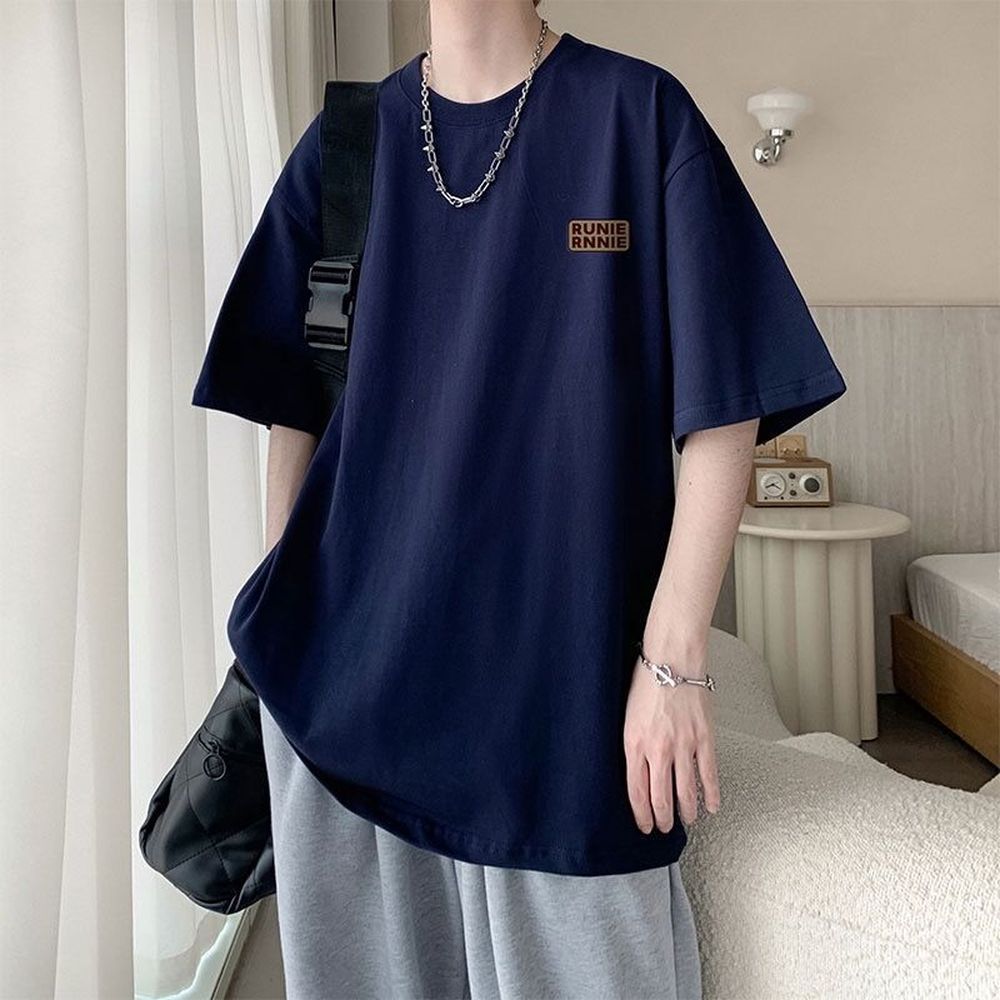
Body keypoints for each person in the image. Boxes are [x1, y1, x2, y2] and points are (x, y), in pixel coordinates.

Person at [191, 2, 847, 997]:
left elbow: (727, 409)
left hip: (565, 723)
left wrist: (673, 664)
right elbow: (296, 405)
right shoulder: (349, 142)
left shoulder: (636, 116)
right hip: (343, 712)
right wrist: (288, 635)